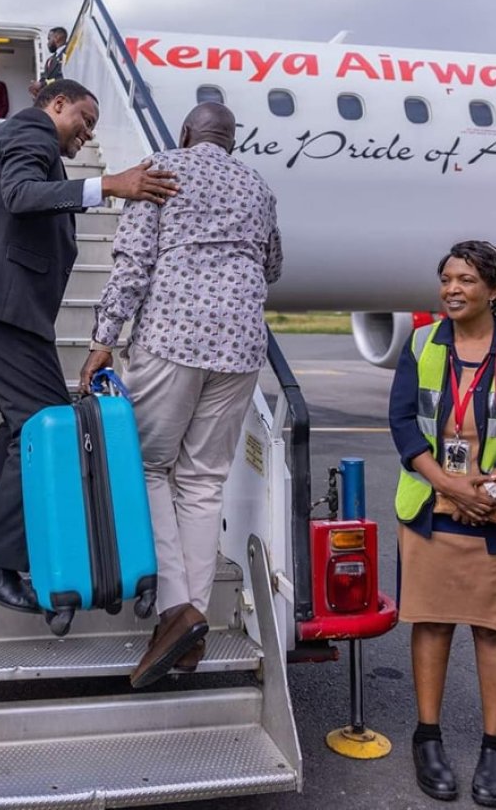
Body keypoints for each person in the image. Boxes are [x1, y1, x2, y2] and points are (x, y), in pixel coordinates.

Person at [0, 80, 179, 613]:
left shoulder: (40, 145)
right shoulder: (29, 129)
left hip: (1, 307)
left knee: (24, 424)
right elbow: (19, 195)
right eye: (83, 118)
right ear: (55, 104)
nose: (87, 133)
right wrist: (109, 185)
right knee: (42, 419)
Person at [78, 101, 282, 688]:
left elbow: (133, 263)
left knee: (148, 466)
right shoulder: (258, 186)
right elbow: (271, 266)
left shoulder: (161, 170)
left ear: (186, 133)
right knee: (203, 479)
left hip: (173, 336)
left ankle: (176, 610)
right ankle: (188, 624)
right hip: (242, 345)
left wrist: (102, 340)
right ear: (232, 139)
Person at [389, 240, 496, 807]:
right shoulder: (423, 340)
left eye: (466, 279)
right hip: (432, 504)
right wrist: (449, 485)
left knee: (492, 628)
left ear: (494, 289)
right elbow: (401, 421)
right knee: (434, 622)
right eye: (446, 278)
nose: (452, 289)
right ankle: (428, 738)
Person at [29, 26, 67, 98]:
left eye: (49, 39)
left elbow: (64, 77)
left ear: (57, 38)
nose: (48, 43)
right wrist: (37, 88)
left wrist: (42, 84)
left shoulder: (68, 54)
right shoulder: (51, 59)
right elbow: (46, 77)